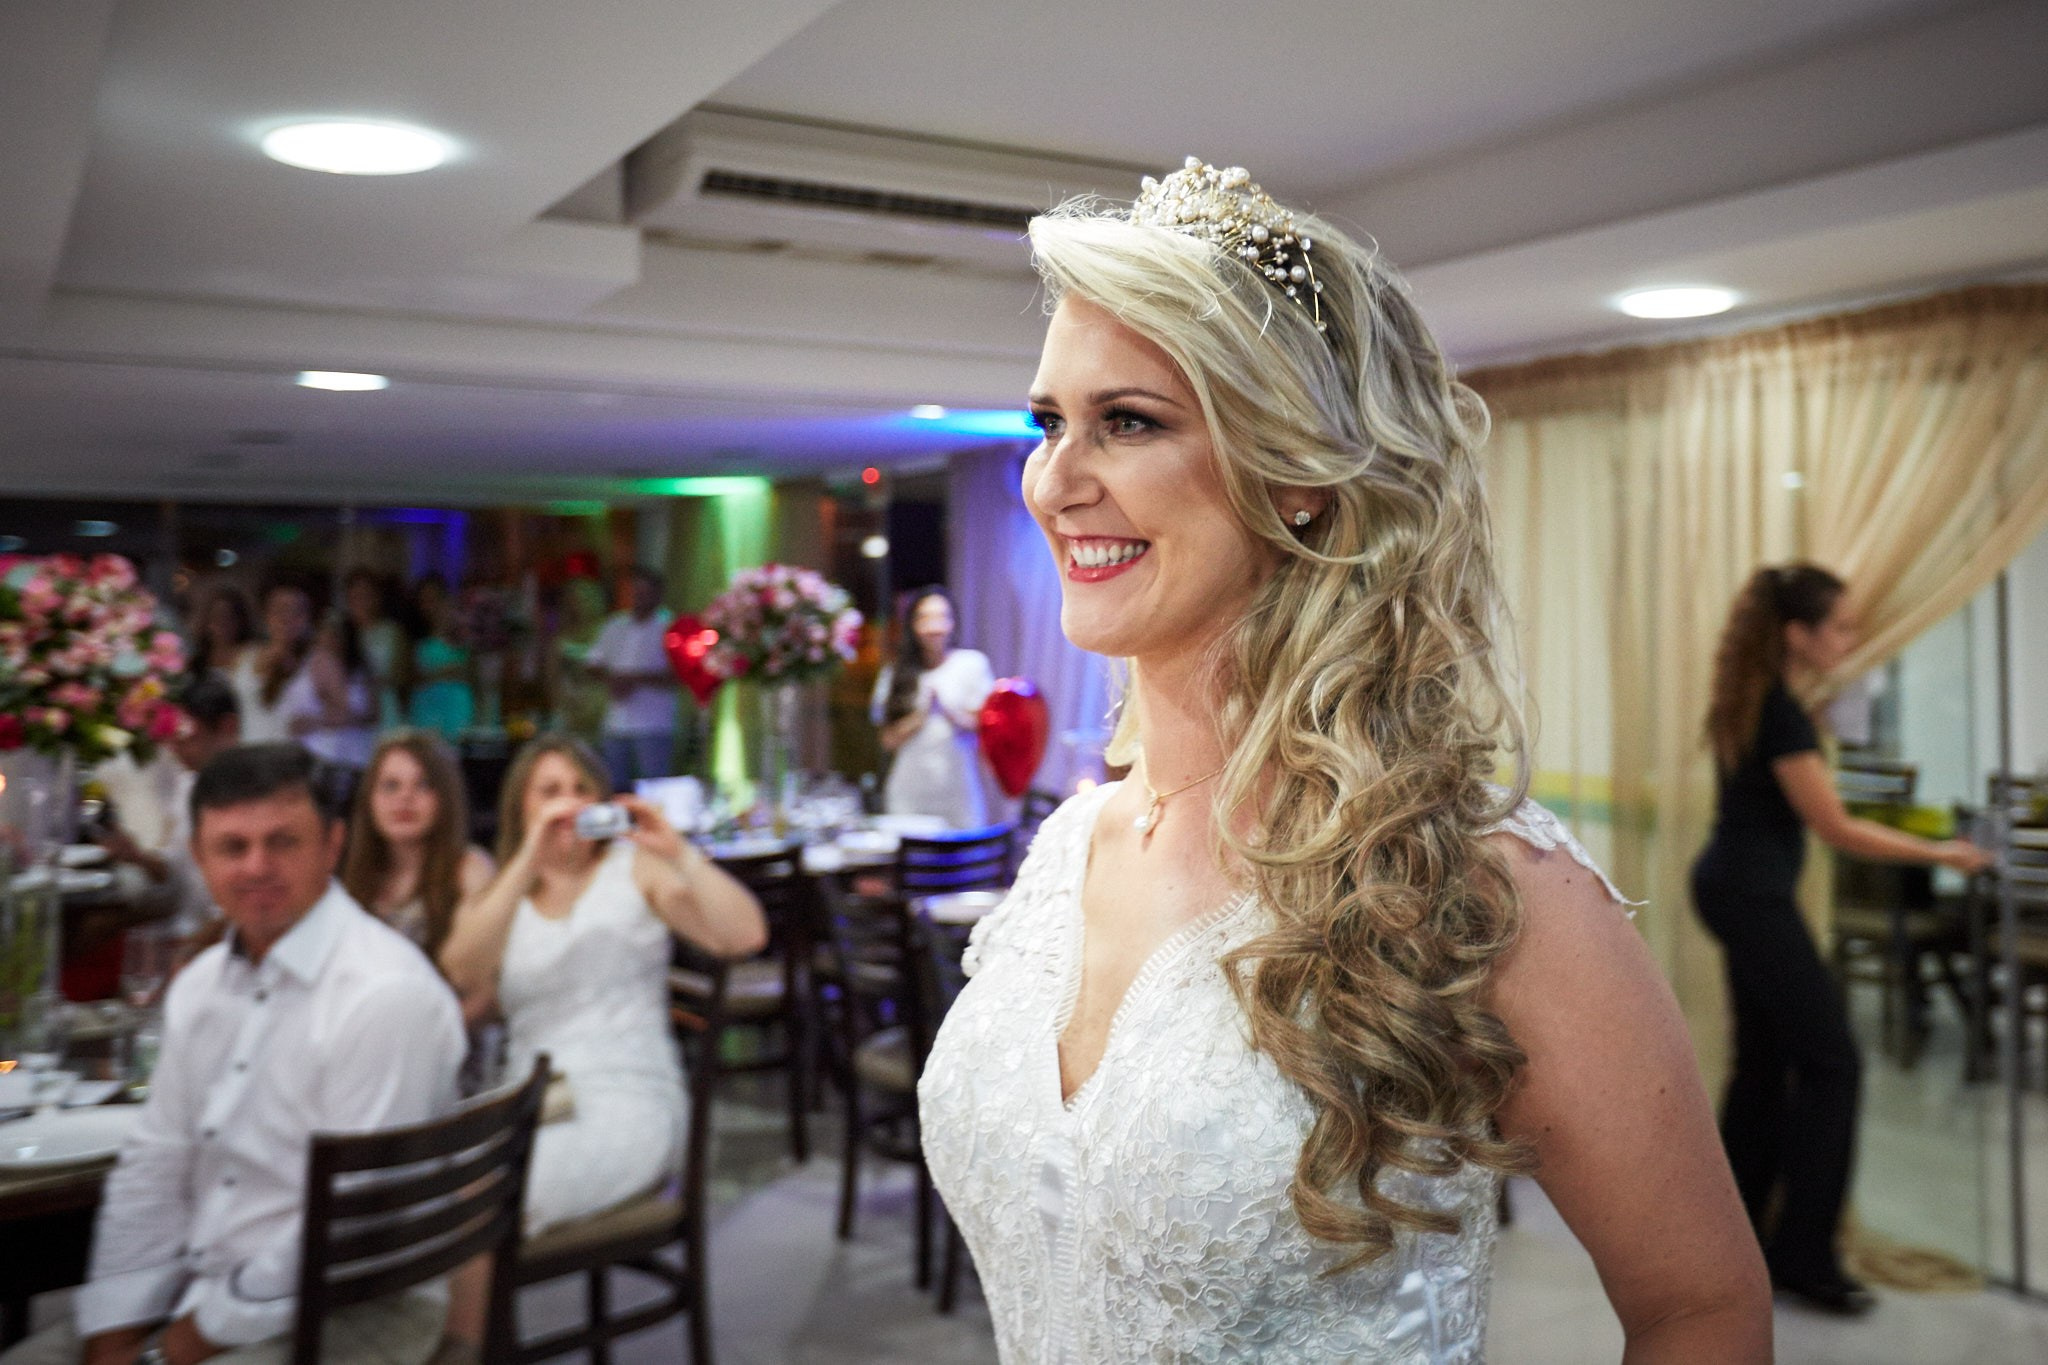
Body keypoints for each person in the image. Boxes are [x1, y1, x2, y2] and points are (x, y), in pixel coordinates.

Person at [917, 160, 1771, 1362]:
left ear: (1301, 477)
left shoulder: (1479, 889)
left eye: (1129, 421)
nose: (1055, 482)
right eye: (1046, 421)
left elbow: (1701, 1309)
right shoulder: (1070, 849)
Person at [0, 743, 466, 1365]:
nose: (256, 867)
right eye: (232, 847)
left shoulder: (386, 995)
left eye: (283, 842)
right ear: (198, 856)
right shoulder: (200, 986)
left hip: (353, 1300)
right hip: (202, 1284)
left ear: (332, 845)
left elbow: (347, 1225)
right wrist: (113, 1331)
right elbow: (155, 1163)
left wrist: (175, 1348)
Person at [1693, 563, 1991, 1315]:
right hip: (1751, 895)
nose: (1853, 640)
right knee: (1835, 1062)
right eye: (1844, 627)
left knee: (1762, 1064)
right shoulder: (1782, 715)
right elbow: (1835, 827)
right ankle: (1804, 1255)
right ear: (1799, 634)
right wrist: (1944, 853)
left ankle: (1734, 1237)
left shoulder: (1761, 697)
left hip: (1732, 884)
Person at [438, 734, 765, 1233]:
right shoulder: (503, 892)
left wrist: (679, 852)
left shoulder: (636, 871)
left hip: (628, 1097)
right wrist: (530, 857)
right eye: (549, 791)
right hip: (529, 1098)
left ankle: (468, 1312)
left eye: (581, 789)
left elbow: (745, 935)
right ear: (521, 806)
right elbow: (462, 971)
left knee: (480, 1192)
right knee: (426, 1178)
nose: (568, 803)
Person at [91, 674, 242, 939]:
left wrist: (198, 945)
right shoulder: (187, 783)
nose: (175, 749)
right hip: (184, 929)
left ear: (228, 727)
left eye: (187, 736)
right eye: (173, 737)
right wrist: (138, 857)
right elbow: (177, 875)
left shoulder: (254, 791)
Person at [341, 730, 495, 963]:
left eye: (423, 785)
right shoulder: (351, 875)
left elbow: (481, 982)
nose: (405, 797)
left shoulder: (469, 869)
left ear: (445, 797)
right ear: (369, 799)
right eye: (391, 786)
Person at [871, 587, 995, 828]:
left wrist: (949, 711)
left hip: (958, 789)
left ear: (953, 621)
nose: (934, 627)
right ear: (912, 625)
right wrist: (921, 715)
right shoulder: (896, 672)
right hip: (909, 791)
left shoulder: (972, 664)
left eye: (941, 617)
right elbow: (887, 740)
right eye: (925, 618)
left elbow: (985, 728)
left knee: (963, 860)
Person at [582, 566, 678, 788]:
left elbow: (679, 676)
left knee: (654, 789)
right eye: (636, 592)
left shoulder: (669, 627)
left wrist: (635, 679)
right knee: (613, 788)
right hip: (616, 723)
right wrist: (612, 679)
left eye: (645, 592)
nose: (639, 597)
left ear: (658, 594)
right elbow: (592, 664)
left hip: (654, 724)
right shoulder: (615, 625)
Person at [283, 614, 376, 769]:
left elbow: (372, 715)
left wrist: (318, 722)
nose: (330, 640)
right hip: (315, 753)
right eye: (325, 634)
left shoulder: (361, 670)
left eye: (336, 635)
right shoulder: (305, 668)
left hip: (354, 752)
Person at [234, 581, 314, 744]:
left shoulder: (318, 661)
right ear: (266, 614)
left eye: (296, 611)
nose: (287, 618)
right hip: (247, 753)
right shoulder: (245, 655)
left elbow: (348, 711)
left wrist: (317, 721)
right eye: (281, 610)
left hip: (292, 756)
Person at [404, 574, 475, 740]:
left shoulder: (466, 642)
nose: (431, 606)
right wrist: (443, 673)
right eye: (425, 600)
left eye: (435, 599)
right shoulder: (413, 641)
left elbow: (475, 677)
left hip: (459, 716)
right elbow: (409, 679)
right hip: (427, 718)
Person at [343, 568, 407, 731]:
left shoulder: (392, 631)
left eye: (366, 595)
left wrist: (374, 681)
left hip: (384, 705)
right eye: (355, 596)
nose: (361, 601)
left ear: (377, 597)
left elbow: (402, 675)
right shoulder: (341, 633)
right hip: (350, 708)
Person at [186, 588, 255, 686]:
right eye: (216, 617)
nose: (222, 624)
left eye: (229, 617)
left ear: (241, 621)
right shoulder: (196, 663)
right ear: (207, 622)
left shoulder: (253, 656)